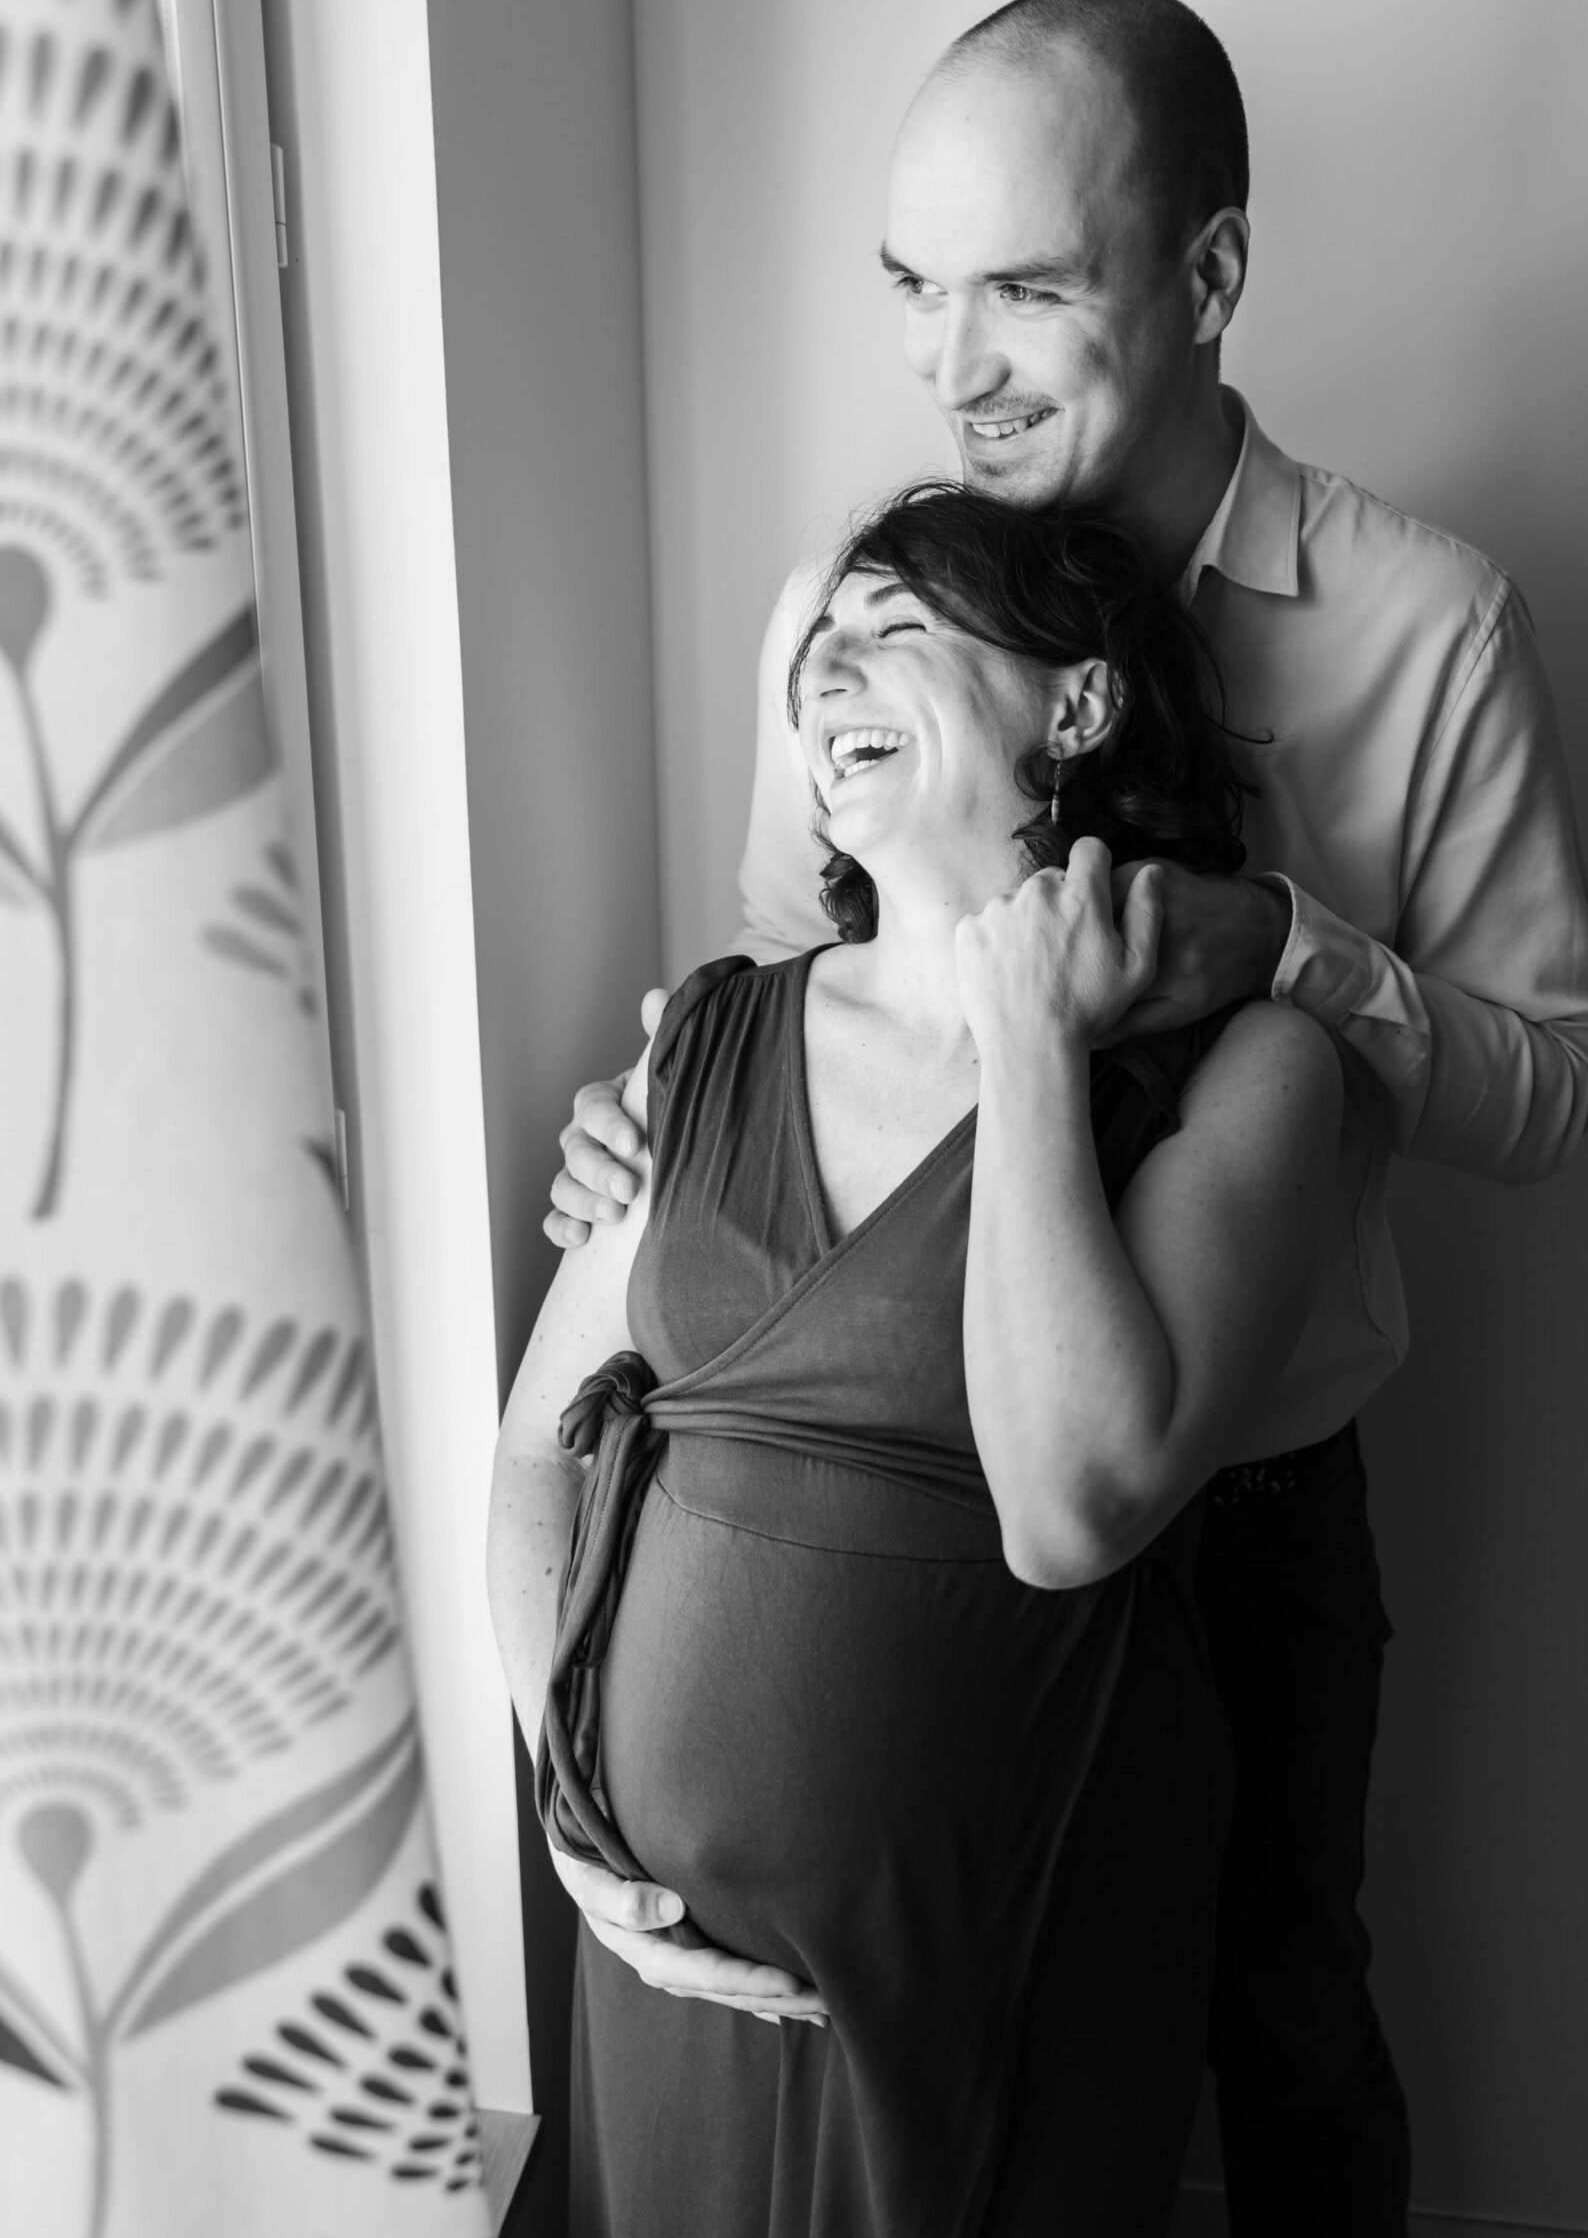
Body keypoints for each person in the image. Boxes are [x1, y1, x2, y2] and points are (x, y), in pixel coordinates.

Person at [545, 0, 1588, 2233]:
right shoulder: (843, 627)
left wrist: (1295, 955)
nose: (954, 364)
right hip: (898, 1478)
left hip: (1228, 1508)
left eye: (1027, 287)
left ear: (1208, 279)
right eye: (915, 289)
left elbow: (1551, 1094)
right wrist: (637, 1166)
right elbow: (796, 978)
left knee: (1274, 2034)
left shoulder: (1430, 624)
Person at [489, 484, 1343, 2237]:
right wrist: (573, 1808)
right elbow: (534, 1463)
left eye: (892, 629)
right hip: (661, 1978)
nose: (825, 677)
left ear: (1076, 706)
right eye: (814, 652)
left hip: (1015, 1942)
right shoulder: (702, 1032)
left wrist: (1025, 1033)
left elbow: (1076, 1506)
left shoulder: (1254, 1075)